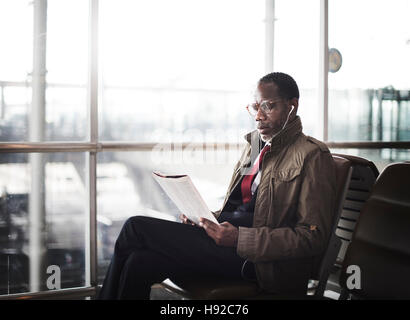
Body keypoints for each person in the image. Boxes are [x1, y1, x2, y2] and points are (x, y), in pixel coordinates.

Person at [98, 72, 337, 299]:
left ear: (292, 106)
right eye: (255, 107)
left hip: (258, 263)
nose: (258, 116)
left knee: (135, 227)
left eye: (269, 106)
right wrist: (206, 218)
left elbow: (311, 238)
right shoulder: (255, 145)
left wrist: (239, 239)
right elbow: (241, 206)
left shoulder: (312, 155)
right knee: (139, 262)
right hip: (226, 243)